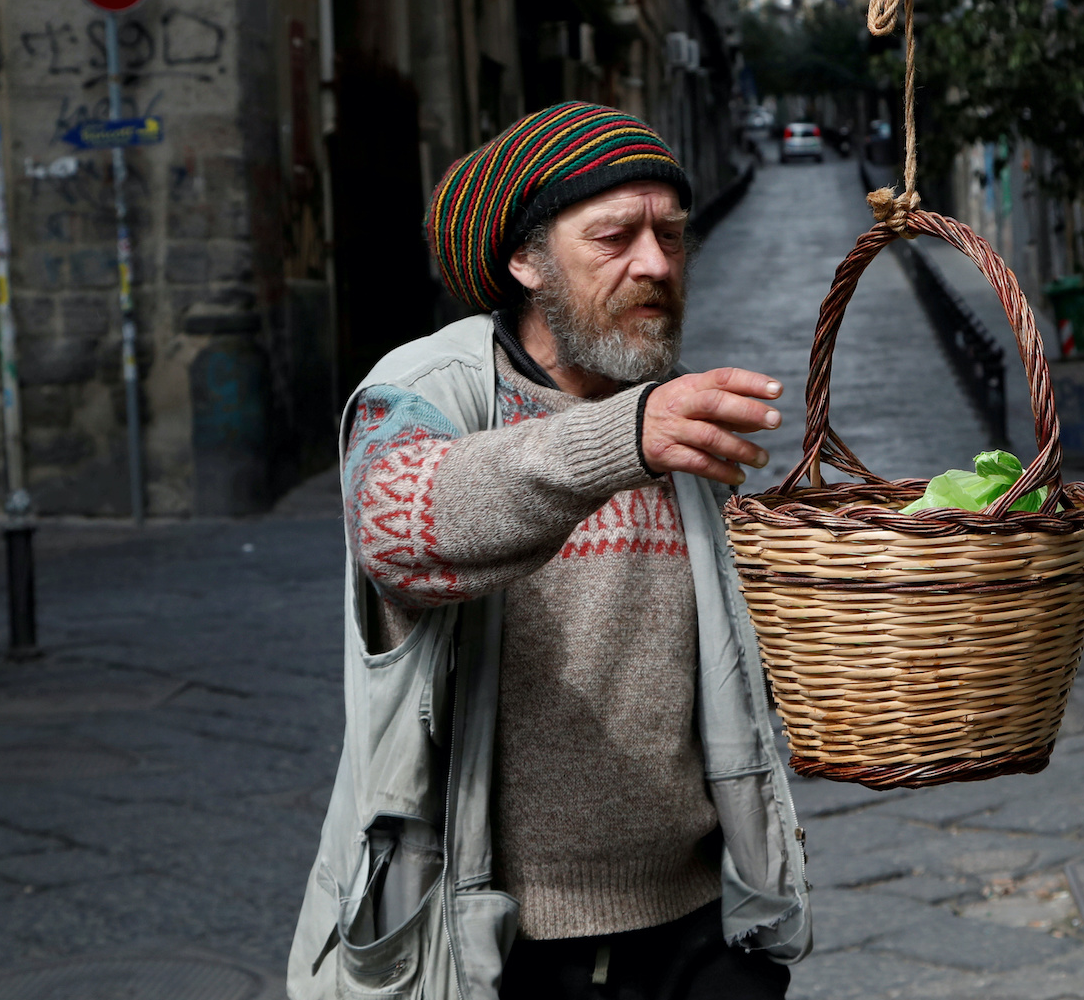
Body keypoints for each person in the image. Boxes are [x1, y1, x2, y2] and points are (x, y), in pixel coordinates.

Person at [287, 102, 811, 1000]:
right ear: (525, 262)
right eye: (615, 237)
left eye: (672, 235)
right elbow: (400, 532)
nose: (655, 262)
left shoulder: (674, 413)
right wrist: (622, 439)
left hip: (696, 934)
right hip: (488, 943)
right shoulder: (424, 391)